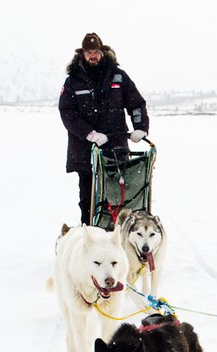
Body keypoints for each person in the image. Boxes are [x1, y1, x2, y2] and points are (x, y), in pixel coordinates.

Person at [59, 32, 149, 224]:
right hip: (85, 150)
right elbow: (67, 112)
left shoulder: (118, 76)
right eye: (88, 52)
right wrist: (89, 134)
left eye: (96, 52)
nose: (92, 56)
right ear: (82, 54)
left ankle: (117, 234)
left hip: (115, 147)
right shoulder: (73, 80)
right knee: (88, 197)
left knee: (119, 196)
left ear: (102, 52)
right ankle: (89, 232)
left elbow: (136, 103)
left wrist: (140, 128)